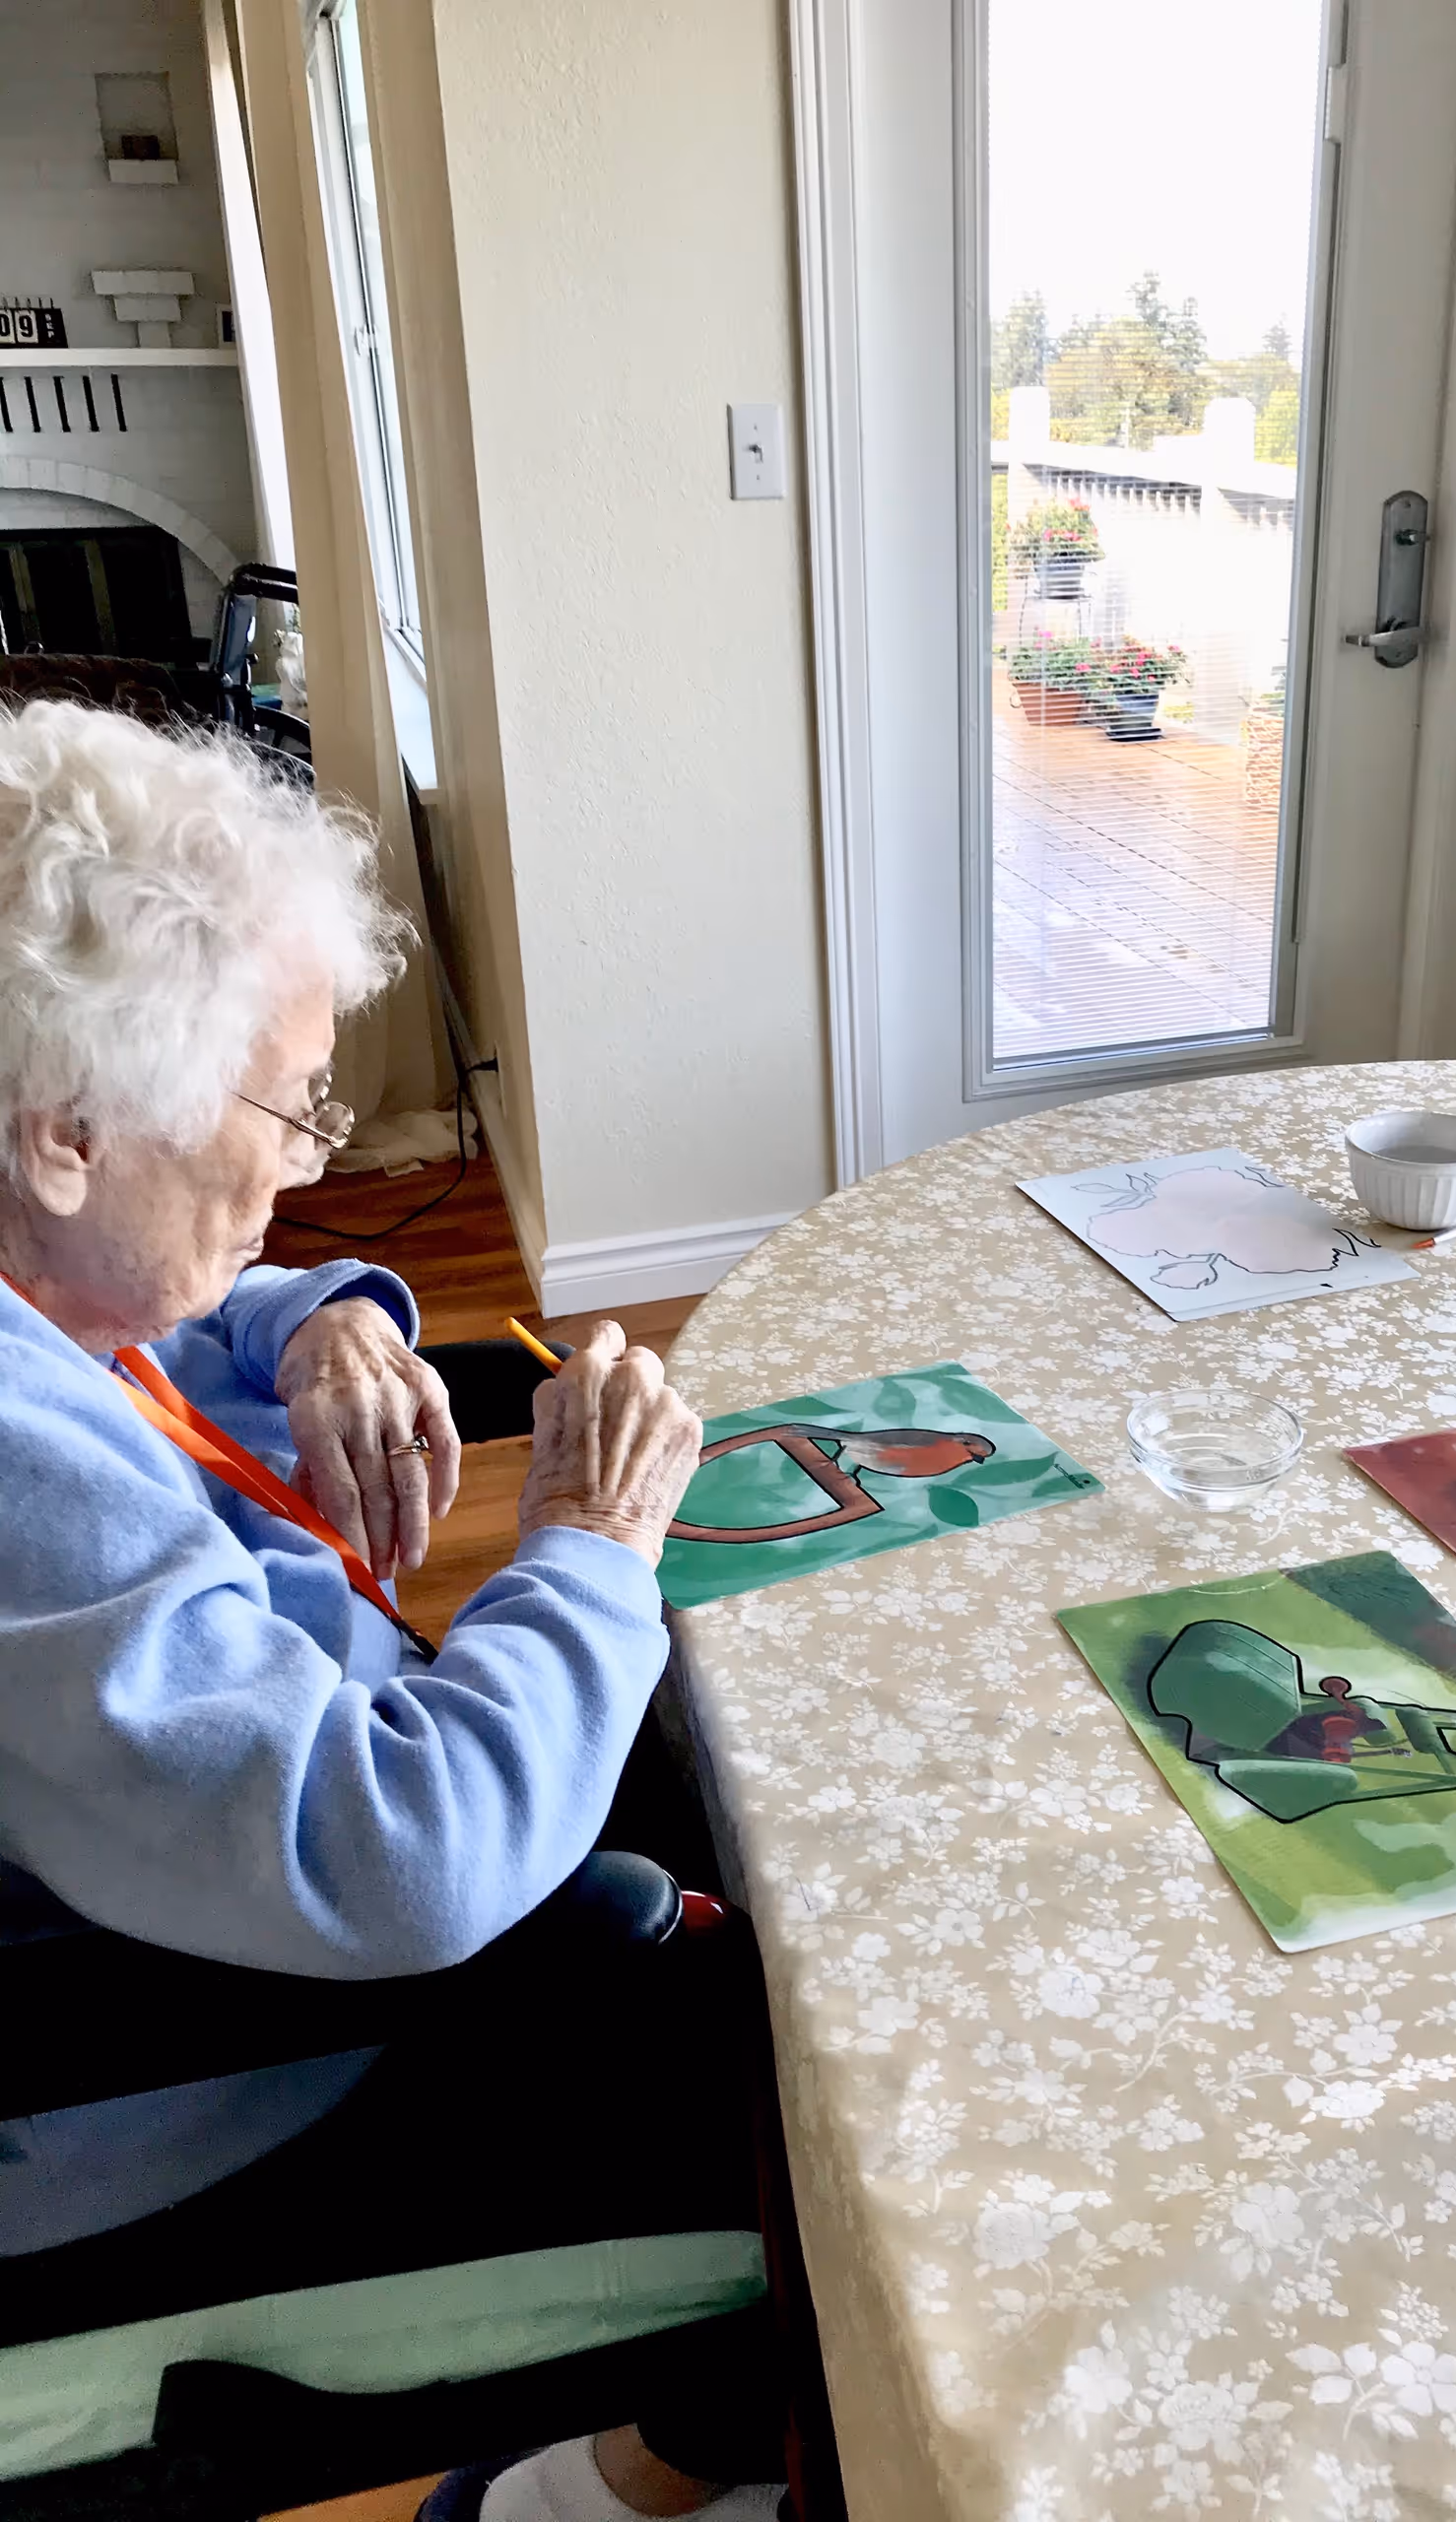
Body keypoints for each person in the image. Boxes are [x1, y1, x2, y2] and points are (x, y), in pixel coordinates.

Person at [0, 701, 783, 2522]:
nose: (309, 1164)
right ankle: (625, 2480)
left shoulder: (36, 1266)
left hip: (223, 1917)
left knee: (714, 1779)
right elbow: (406, 1860)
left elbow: (150, 1321)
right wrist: (581, 1540)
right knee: (820, 2040)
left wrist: (328, 1315)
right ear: (65, 1132)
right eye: (285, 1105)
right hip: (176, 2080)